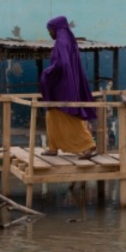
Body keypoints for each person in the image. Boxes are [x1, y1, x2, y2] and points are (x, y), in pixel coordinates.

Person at [39, 15, 97, 159]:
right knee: (52, 115)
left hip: (63, 86)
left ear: (56, 28)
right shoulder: (68, 41)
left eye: (50, 30)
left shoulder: (62, 42)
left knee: (70, 115)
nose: (49, 33)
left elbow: (62, 64)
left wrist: (48, 73)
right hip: (65, 83)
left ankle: (88, 146)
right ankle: (53, 147)